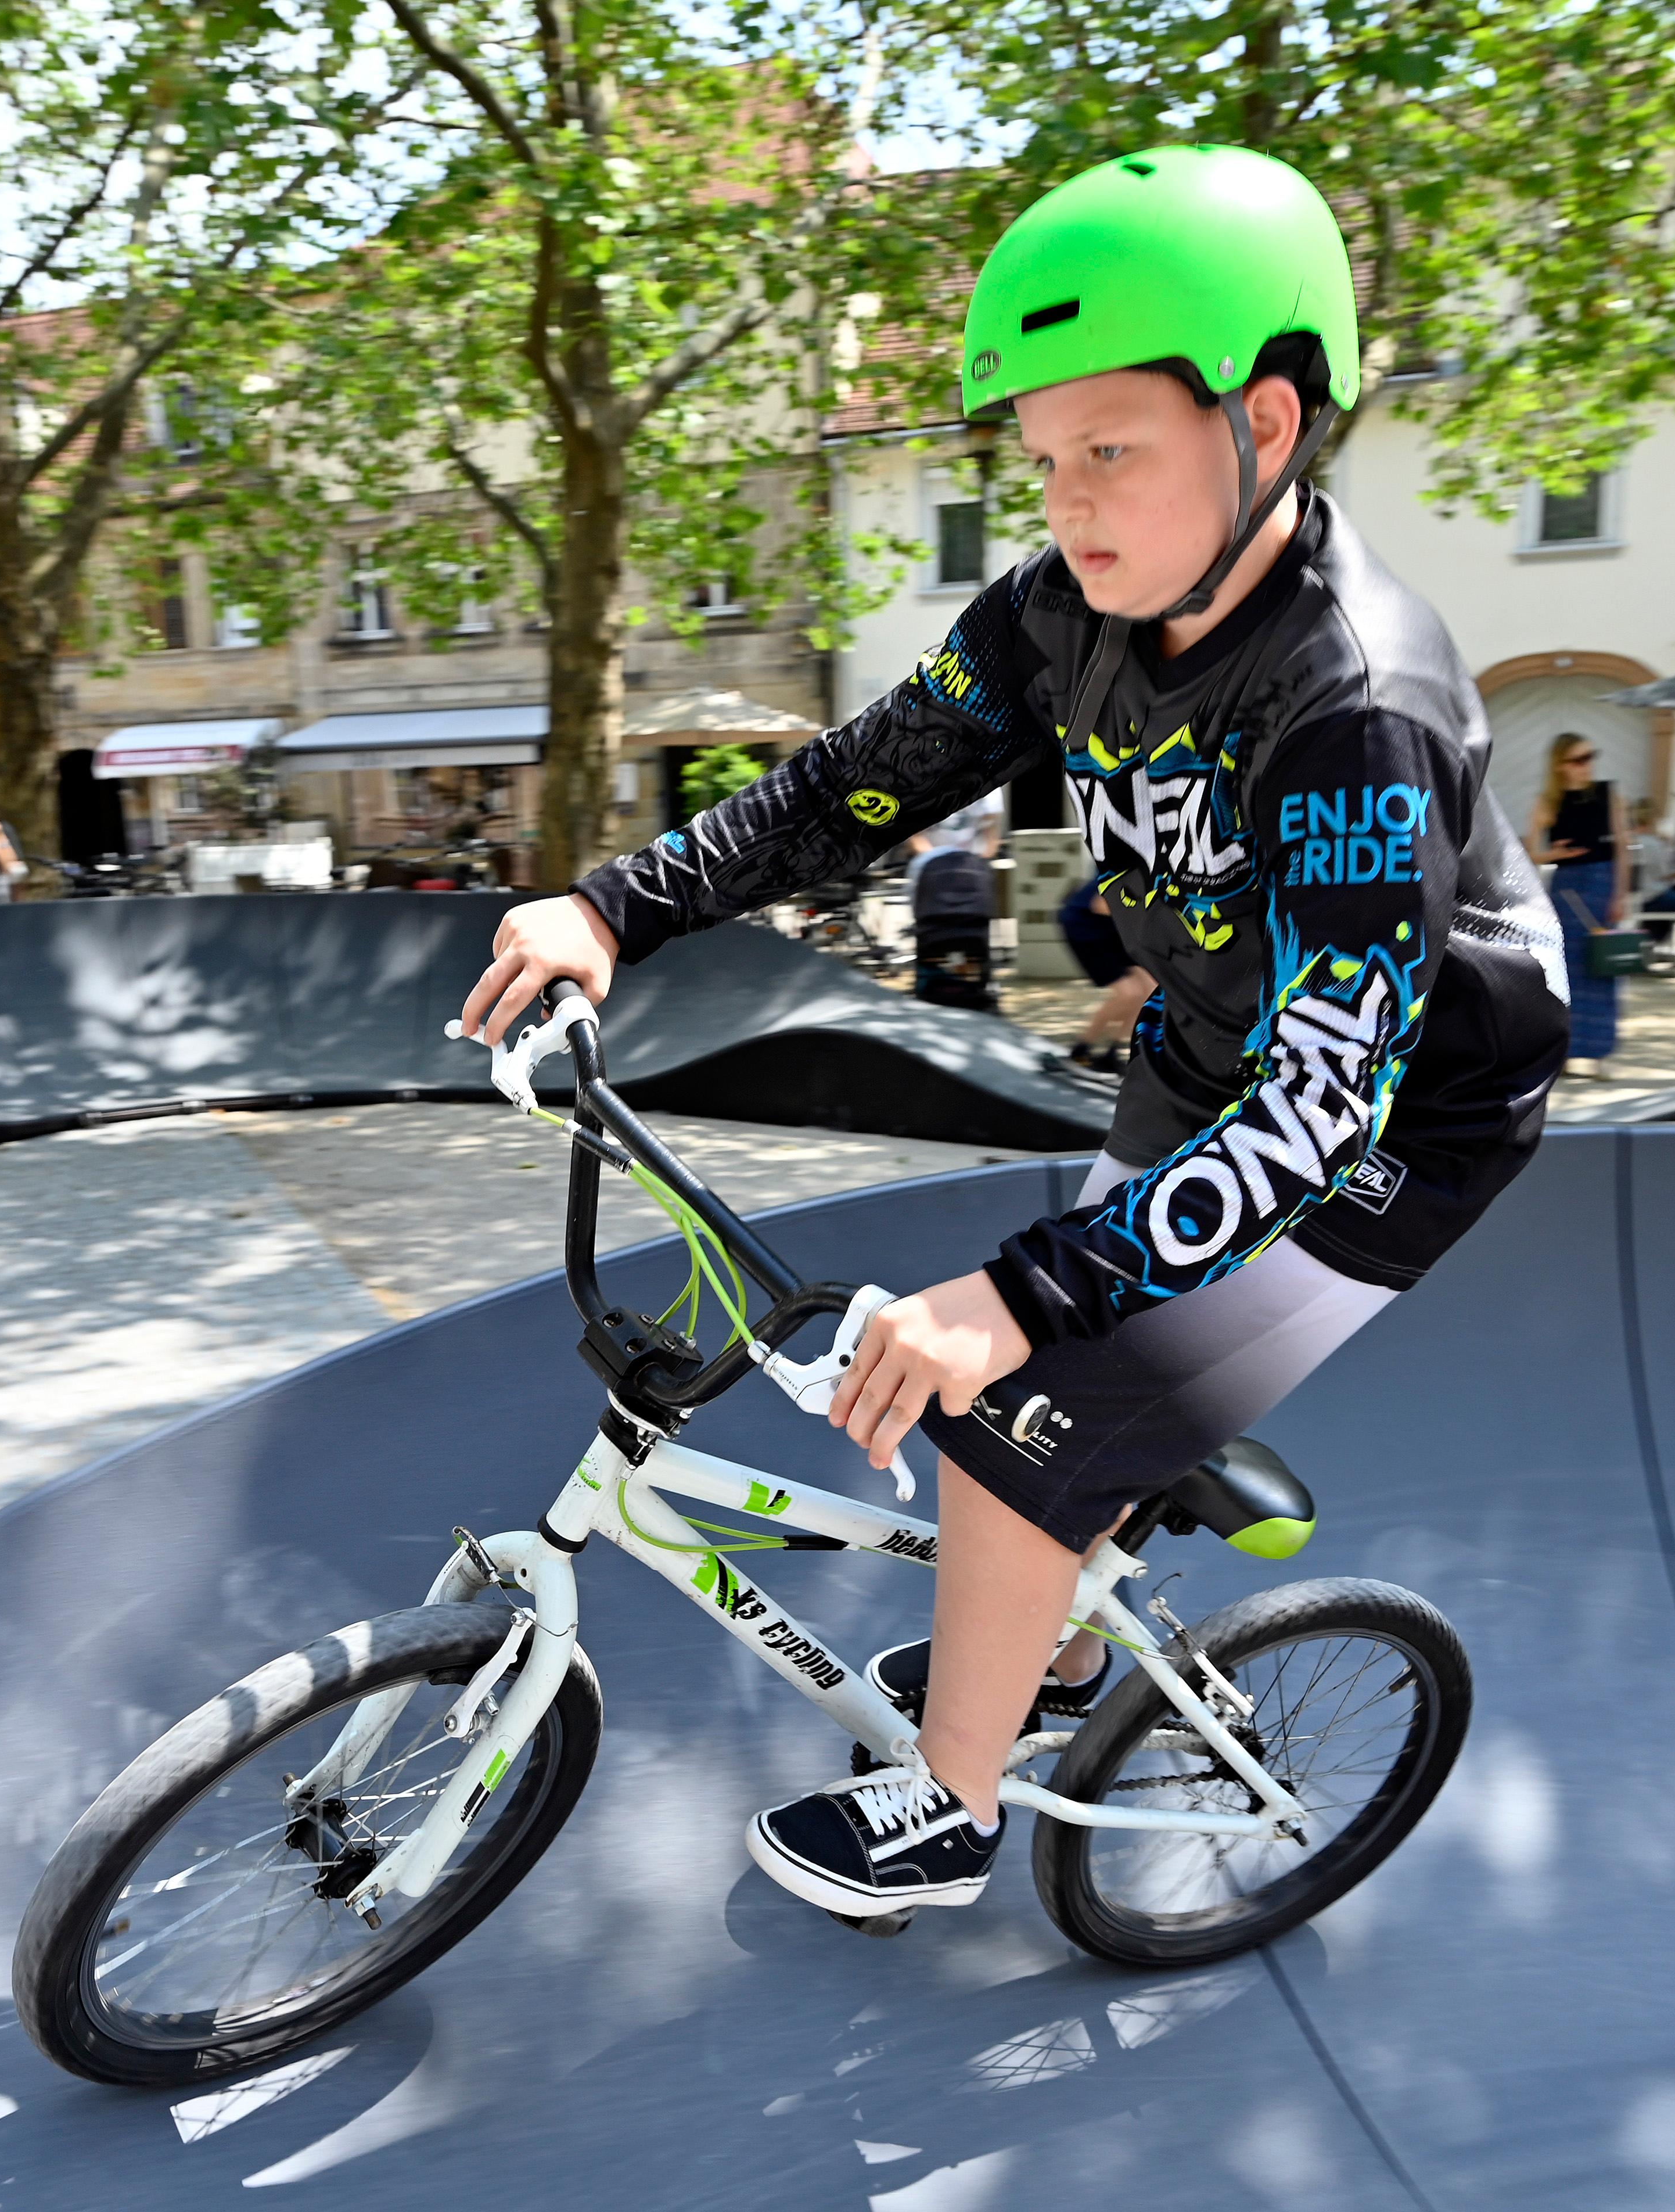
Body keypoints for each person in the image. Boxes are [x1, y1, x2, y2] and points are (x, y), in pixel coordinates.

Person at [459, 145, 1567, 1922]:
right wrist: (616, 905)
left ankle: (952, 1811)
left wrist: (1021, 1300)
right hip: (1209, 1050)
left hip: (1379, 1133)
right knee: (1070, 1369)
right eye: (1040, 458)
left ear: (1263, 426)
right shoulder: (1059, 616)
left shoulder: (1355, 700)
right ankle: (1049, 1661)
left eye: (1107, 448)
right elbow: (851, 789)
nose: (1064, 501)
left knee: (1022, 1407)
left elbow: (1315, 1107)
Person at [1530, 734, 1621, 1069]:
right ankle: (1567, 1051)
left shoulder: (1607, 796)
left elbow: (1622, 848)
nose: (1587, 766)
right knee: (1566, 971)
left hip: (1602, 883)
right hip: (1567, 889)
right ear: (1560, 765)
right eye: (1578, 760)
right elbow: (1530, 854)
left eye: (1589, 757)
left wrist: (1620, 894)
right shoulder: (1548, 803)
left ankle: (1601, 1053)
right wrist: (1555, 854)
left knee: (1602, 968)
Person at [1054, 872, 1156, 1068]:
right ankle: (1081, 1049)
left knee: (1151, 992)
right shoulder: (1131, 865)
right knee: (1128, 994)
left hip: (1116, 930)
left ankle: (1112, 1052)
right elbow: (1100, 905)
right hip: (1085, 928)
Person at [906, 809, 1000, 1010]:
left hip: (966, 874)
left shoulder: (989, 794)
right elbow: (915, 836)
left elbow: (991, 836)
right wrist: (941, 858)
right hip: (931, 870)